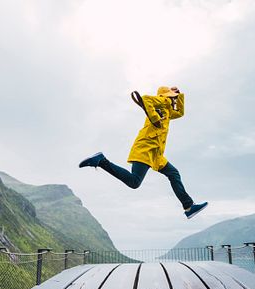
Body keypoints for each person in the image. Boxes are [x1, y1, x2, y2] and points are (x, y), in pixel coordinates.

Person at [79, 86, 208, 219]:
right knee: (134, 182)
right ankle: (101, 161)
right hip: (146, 147)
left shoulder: (167, 110)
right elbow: (146, 99)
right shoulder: (162, 101)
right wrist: (155, 118)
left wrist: (179, 96)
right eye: (171, 94)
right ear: (165, 95)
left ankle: (189, 206)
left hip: (156, 154)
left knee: (173, 174)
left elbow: (180, 113)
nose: (173, 96)